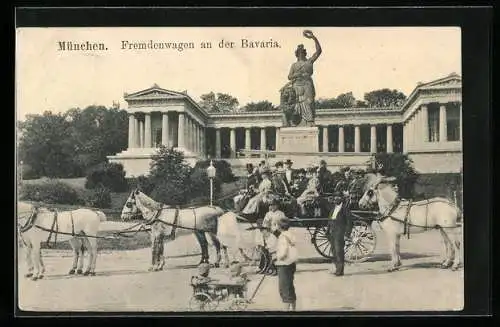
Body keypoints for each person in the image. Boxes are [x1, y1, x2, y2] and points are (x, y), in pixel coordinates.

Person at [280, 30, 322, 127]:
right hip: (297, 85)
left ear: (305, 53)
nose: (301, 54)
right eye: (299, 53)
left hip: (307, 84)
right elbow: (289, 76)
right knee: (296, 103)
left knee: (309, 101)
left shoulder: (309, 62)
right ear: (296, 54)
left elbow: (319, 51)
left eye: (302, 52)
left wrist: (314, 38)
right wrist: (296, 74)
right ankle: (296, 121)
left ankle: (309, 120)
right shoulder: (294, 65)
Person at [273, 216, 298, 311]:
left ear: (279, 226)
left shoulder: (282, 237)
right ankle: (293, 310)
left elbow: (283, 252)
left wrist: (276, 257)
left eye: (276, 225)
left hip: (283, 265)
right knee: (290, 287)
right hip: (291, 264)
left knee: (284, 289)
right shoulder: (290, 234)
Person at [260, 198, 288, 276]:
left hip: (278, 233)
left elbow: (283, 224)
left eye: (273, 205)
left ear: (277, 206)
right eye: (270, 205)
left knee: (275, 250)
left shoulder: (281, 214)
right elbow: (265, 224)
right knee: (268, 249)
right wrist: (267, 229)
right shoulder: (268, 214)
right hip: (270, 233)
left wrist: (278, 229)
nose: (271, 207)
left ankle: (276, 269)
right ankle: (267, 267)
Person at [327, 191, 350, 276]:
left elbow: (349, 222)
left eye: (338, 197)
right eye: (335, 197)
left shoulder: (344, 208)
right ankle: (337, 268)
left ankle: (340, 271)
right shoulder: (333, 208)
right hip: (332, 233)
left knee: (339, 251)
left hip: (340, 233)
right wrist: (328, 231)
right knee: (333, 251)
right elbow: (330, 220)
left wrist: (347, 234)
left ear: (342, 198)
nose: (336, 198)